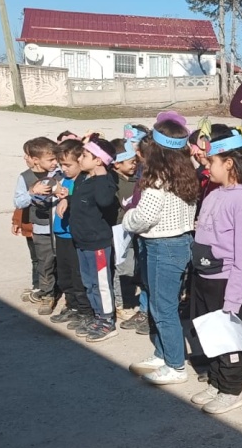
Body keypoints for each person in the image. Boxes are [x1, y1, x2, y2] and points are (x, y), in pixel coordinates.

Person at [186, 127, 242, 415]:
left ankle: (232, 389)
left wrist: (234, 298)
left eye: (211, 160)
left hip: (227, 282)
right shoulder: (214, 193)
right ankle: (216, 380)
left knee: (230, 339)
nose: (206, 165)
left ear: (228, 163)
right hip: (205, 278)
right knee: (211, 335)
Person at [124, 114, 200, 385]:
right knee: (159, 304)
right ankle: (161, 353)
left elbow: (144, 216)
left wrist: (127, 217)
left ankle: (176, 366)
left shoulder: (157, 178)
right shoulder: (184, 172)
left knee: (164, 308)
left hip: (161, 245)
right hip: (178, 243)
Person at [56, 137, 120, 342]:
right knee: (89, 282)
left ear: (98, 161)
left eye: (84, 156)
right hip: (82, 241)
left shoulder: (104, 182)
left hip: (97, 244)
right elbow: (82, 199)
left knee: (101, 284)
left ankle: (107, 320)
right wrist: (67, 198)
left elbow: (103, 200)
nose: (80, 159)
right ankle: (97, 314)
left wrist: (101, 174)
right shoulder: (84, 178)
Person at [47, 139, 94, 331]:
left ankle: (85, 311)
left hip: (75, 235)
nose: (64, 168)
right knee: (65, 275)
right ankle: (71, 305)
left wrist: (69, 200)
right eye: (61, 165)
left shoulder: (84, 182)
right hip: (61, 234)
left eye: (68, 165)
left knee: (78, 276)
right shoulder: (63, 180)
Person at [14, 137, 59, 314]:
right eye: (51, 160)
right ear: (35, 160)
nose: (55, 163)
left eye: (56, 158)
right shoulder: (25, 177)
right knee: (45, 262)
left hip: (61, 226)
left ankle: (63, 289)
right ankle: (47, 294)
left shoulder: (60, 174)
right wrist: (32, 192)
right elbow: (18, 201)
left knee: (63, 261)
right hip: (41, 228)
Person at [109, 137, 144, 327]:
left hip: (136, 228)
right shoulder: (113, 182)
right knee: (121, 267)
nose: (135, 165)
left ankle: (128, 296)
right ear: (116, 164)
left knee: (132, 266)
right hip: (119, 230)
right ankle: (120, 303)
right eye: (131, 162)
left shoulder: (137, 179)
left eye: (135, 162)